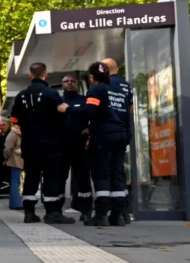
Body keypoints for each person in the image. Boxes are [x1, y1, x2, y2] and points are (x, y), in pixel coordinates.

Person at [9, 62, 74, 224]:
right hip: (50, 142)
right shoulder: (52, 94)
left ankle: (29, 212)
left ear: (31, 75)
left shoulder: (21, 96)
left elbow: (14, 118)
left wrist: (23, 126)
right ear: (46, 74)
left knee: (31, 175)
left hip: (29, 143)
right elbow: (62, 116)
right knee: (51, 176)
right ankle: (52, 212)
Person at [83, 62, 131, 227]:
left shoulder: (96, 90)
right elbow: (127, 116)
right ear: (109, 74)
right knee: (117, 174)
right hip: (121, 135)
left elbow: (89, 111)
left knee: (101, 173)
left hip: (103, 136)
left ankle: (101, 214)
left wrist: (69, 110)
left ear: (92, 77)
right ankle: (118, 215)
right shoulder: (119, 92)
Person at [101, 58, 134, 224]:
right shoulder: (126, 86)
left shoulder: (105, 85)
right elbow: (130, 110)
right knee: (119, 172)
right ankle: (122, 213)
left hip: (107, 133)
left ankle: (105, 212)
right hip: (123, 132)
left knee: (105, 172)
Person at [61, 75, 93, 221]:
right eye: (66, 81)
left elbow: (94, 116)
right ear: (62, 85)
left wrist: (89, 129)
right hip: (61, 147)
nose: (69, 83)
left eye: (72, 81)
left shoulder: (84, 100)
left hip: (81, 146)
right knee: (59, 178)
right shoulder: (57, 102)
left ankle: (86, 211)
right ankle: (56, 211)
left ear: (77, 84)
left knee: (83, 179)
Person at [3, 124, 25, 210]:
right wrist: (6, 158)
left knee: (15, 182)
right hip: (14, 161)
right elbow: (7, 149)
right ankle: (16, 204)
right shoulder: (13, 134)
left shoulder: (17, 134)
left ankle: (14, 203)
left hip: (17, 161)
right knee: (15, 182)